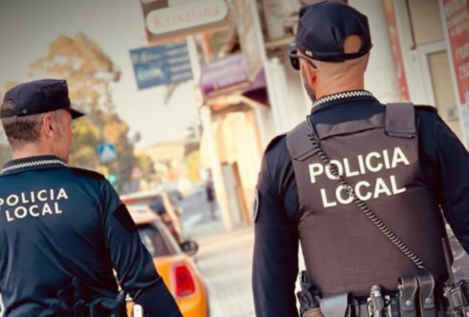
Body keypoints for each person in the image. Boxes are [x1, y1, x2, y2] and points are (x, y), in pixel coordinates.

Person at [252, 1, 469, 317]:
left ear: (308, 70)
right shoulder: (423, 130)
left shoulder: (284, 160)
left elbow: (271, 287)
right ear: (366, 59)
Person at [0, 79, 182, 317]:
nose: (73, 135)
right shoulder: (95, 189)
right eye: (69, 124)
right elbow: (142, 281)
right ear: (49, 126)